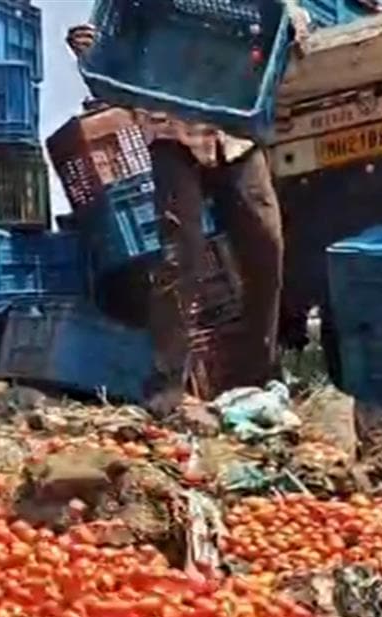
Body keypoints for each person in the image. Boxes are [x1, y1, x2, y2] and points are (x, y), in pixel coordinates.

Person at [66, 23, 287, 415]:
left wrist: (289, 26)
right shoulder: (141, 15)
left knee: (265, 243)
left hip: (233, 126)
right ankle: (167, 385)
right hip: (170, 131)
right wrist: (92, 53)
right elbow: (114, 68)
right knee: (179, 255)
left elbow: (283, 27)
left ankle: (261, 375)